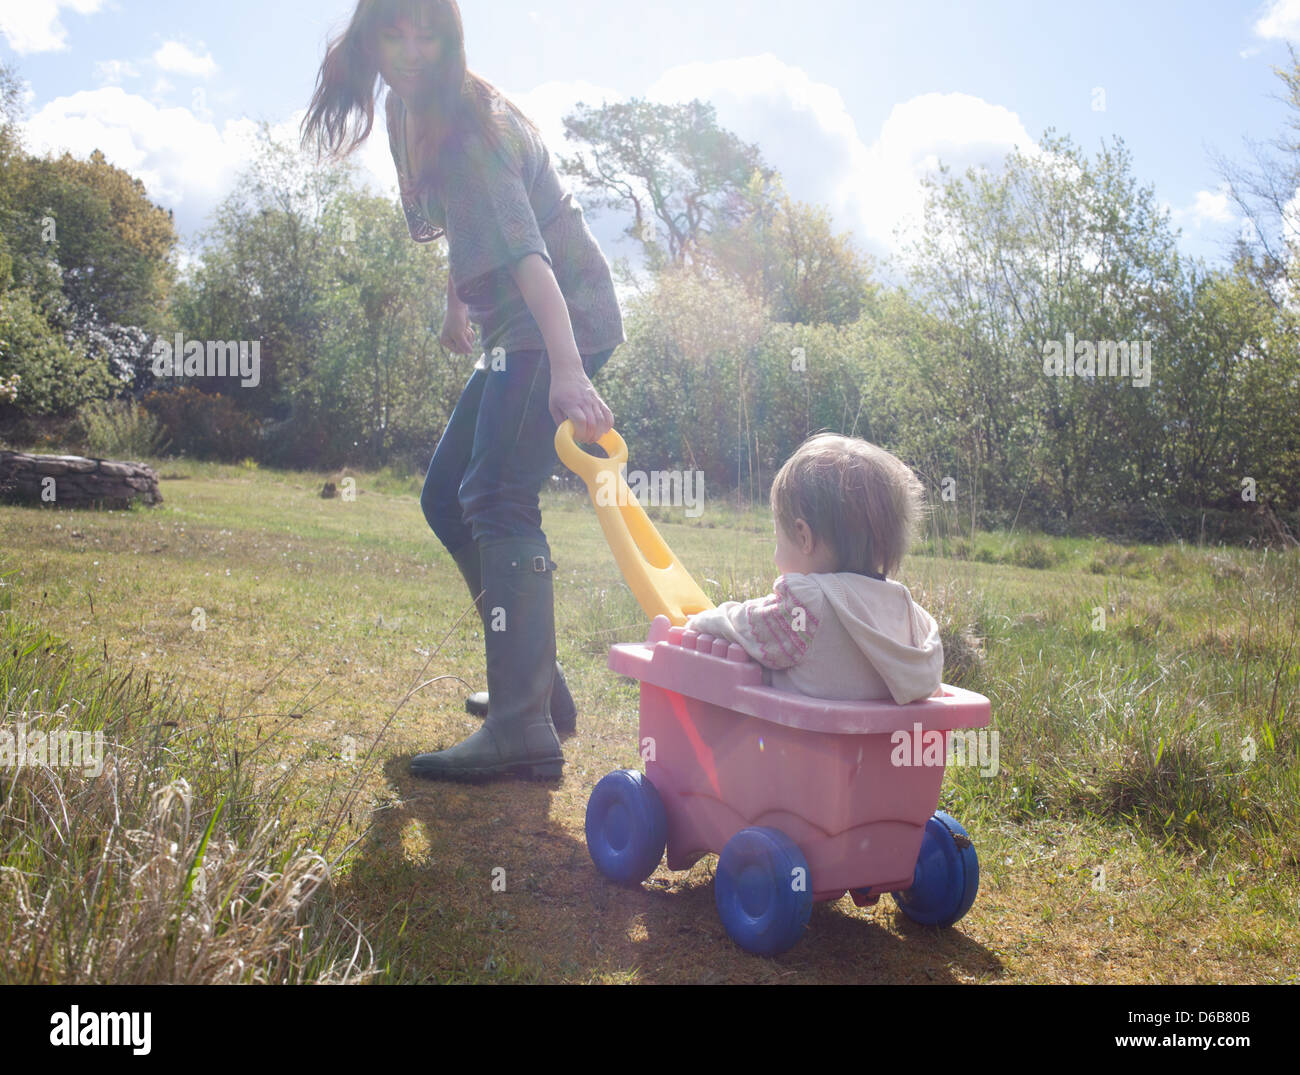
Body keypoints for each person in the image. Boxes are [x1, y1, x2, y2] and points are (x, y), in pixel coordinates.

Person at [303, 0, 624, 780]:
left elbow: (530, 256)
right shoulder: (407, 109)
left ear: (451, 40)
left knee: (496, 495)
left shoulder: (473, 126)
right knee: (447, 493)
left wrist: (569, 366)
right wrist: (456, 302)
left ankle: (521, 726)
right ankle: (535, 685)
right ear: (370, 35)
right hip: (511, 328)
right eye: (394, 31)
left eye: (429, 33)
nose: (411, 50)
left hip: (558, 320)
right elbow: (464, 226)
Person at [685, 434, 944, 705]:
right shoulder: (914, 618)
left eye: (777, 540)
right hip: (881, 747)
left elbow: (738, 627)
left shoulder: (807, 604)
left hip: (793, 745)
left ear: (803, 537)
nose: (775, 557)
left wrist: (699, 620)